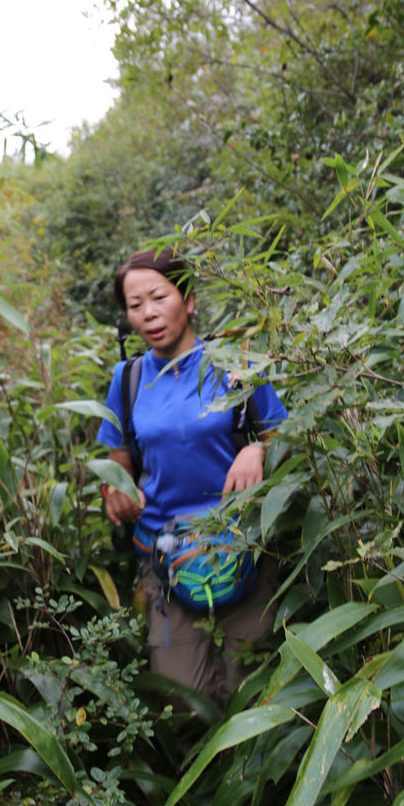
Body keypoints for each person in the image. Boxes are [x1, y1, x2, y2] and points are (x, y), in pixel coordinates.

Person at [96, 247, 288, 701]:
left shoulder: (234, 366)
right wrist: (113, 493)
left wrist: (259, 449)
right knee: (182, 699)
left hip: (243, 548)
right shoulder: (128, 379)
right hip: (167, 559)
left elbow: (289, 438)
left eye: (159, 297)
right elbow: (117, 468)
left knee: (254, 691)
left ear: (190, 299)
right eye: (135, 305)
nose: (148, 314)